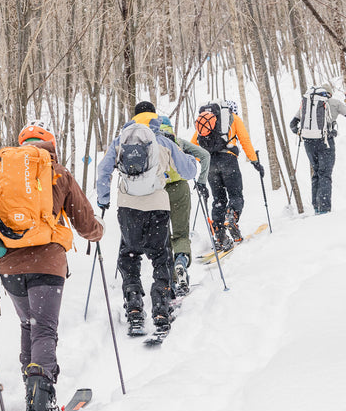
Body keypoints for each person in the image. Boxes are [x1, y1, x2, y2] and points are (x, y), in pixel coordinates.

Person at [0, 120, 104, 411]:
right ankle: (40, 406)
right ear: (50, 145)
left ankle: (33, 397)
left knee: (28, 326)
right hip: (47, 264)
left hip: (9, 267)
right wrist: (97, 232)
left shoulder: (1, 173)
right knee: (44, 330)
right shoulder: (58, 172)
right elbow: (85, 221)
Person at [96, 102, 198, 336]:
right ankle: (161, 306)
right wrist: (191, 162)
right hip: (157, 206)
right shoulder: (162, 139)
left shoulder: (121, 140)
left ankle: (133, 305)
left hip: (128, 207)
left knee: (129, 254)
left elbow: (103, 171)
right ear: (154, 117)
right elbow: (188, 172)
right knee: (161, 256)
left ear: (134, 117)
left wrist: (103, 199)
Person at [191, 99, 263, 251]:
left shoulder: (207, 122)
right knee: (236, 195)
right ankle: (232, 217)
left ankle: (220, 235)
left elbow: (193, 145)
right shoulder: (233, 119)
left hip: (210, 164)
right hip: (229, 161)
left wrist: (203, 159)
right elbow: (245, 140)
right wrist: (254, 161)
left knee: (218, 199)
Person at [153, 109, 210, 296]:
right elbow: (204, 155)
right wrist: (201, 181)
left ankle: (170, 277)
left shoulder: (151, 144)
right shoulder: (177, 142)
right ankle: (181, 262)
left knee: (163, 236)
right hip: (180, 190)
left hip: (158, 192)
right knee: (181, 234)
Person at [289, 81, 346, 214]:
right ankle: (325, 210)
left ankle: (316, 207)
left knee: (316, 173)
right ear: (329, 93)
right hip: (326, 142)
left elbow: (292, 125)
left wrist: (301, 133)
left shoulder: (307, 104)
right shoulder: (334, 103)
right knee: (325, 175)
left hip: (309, 143)